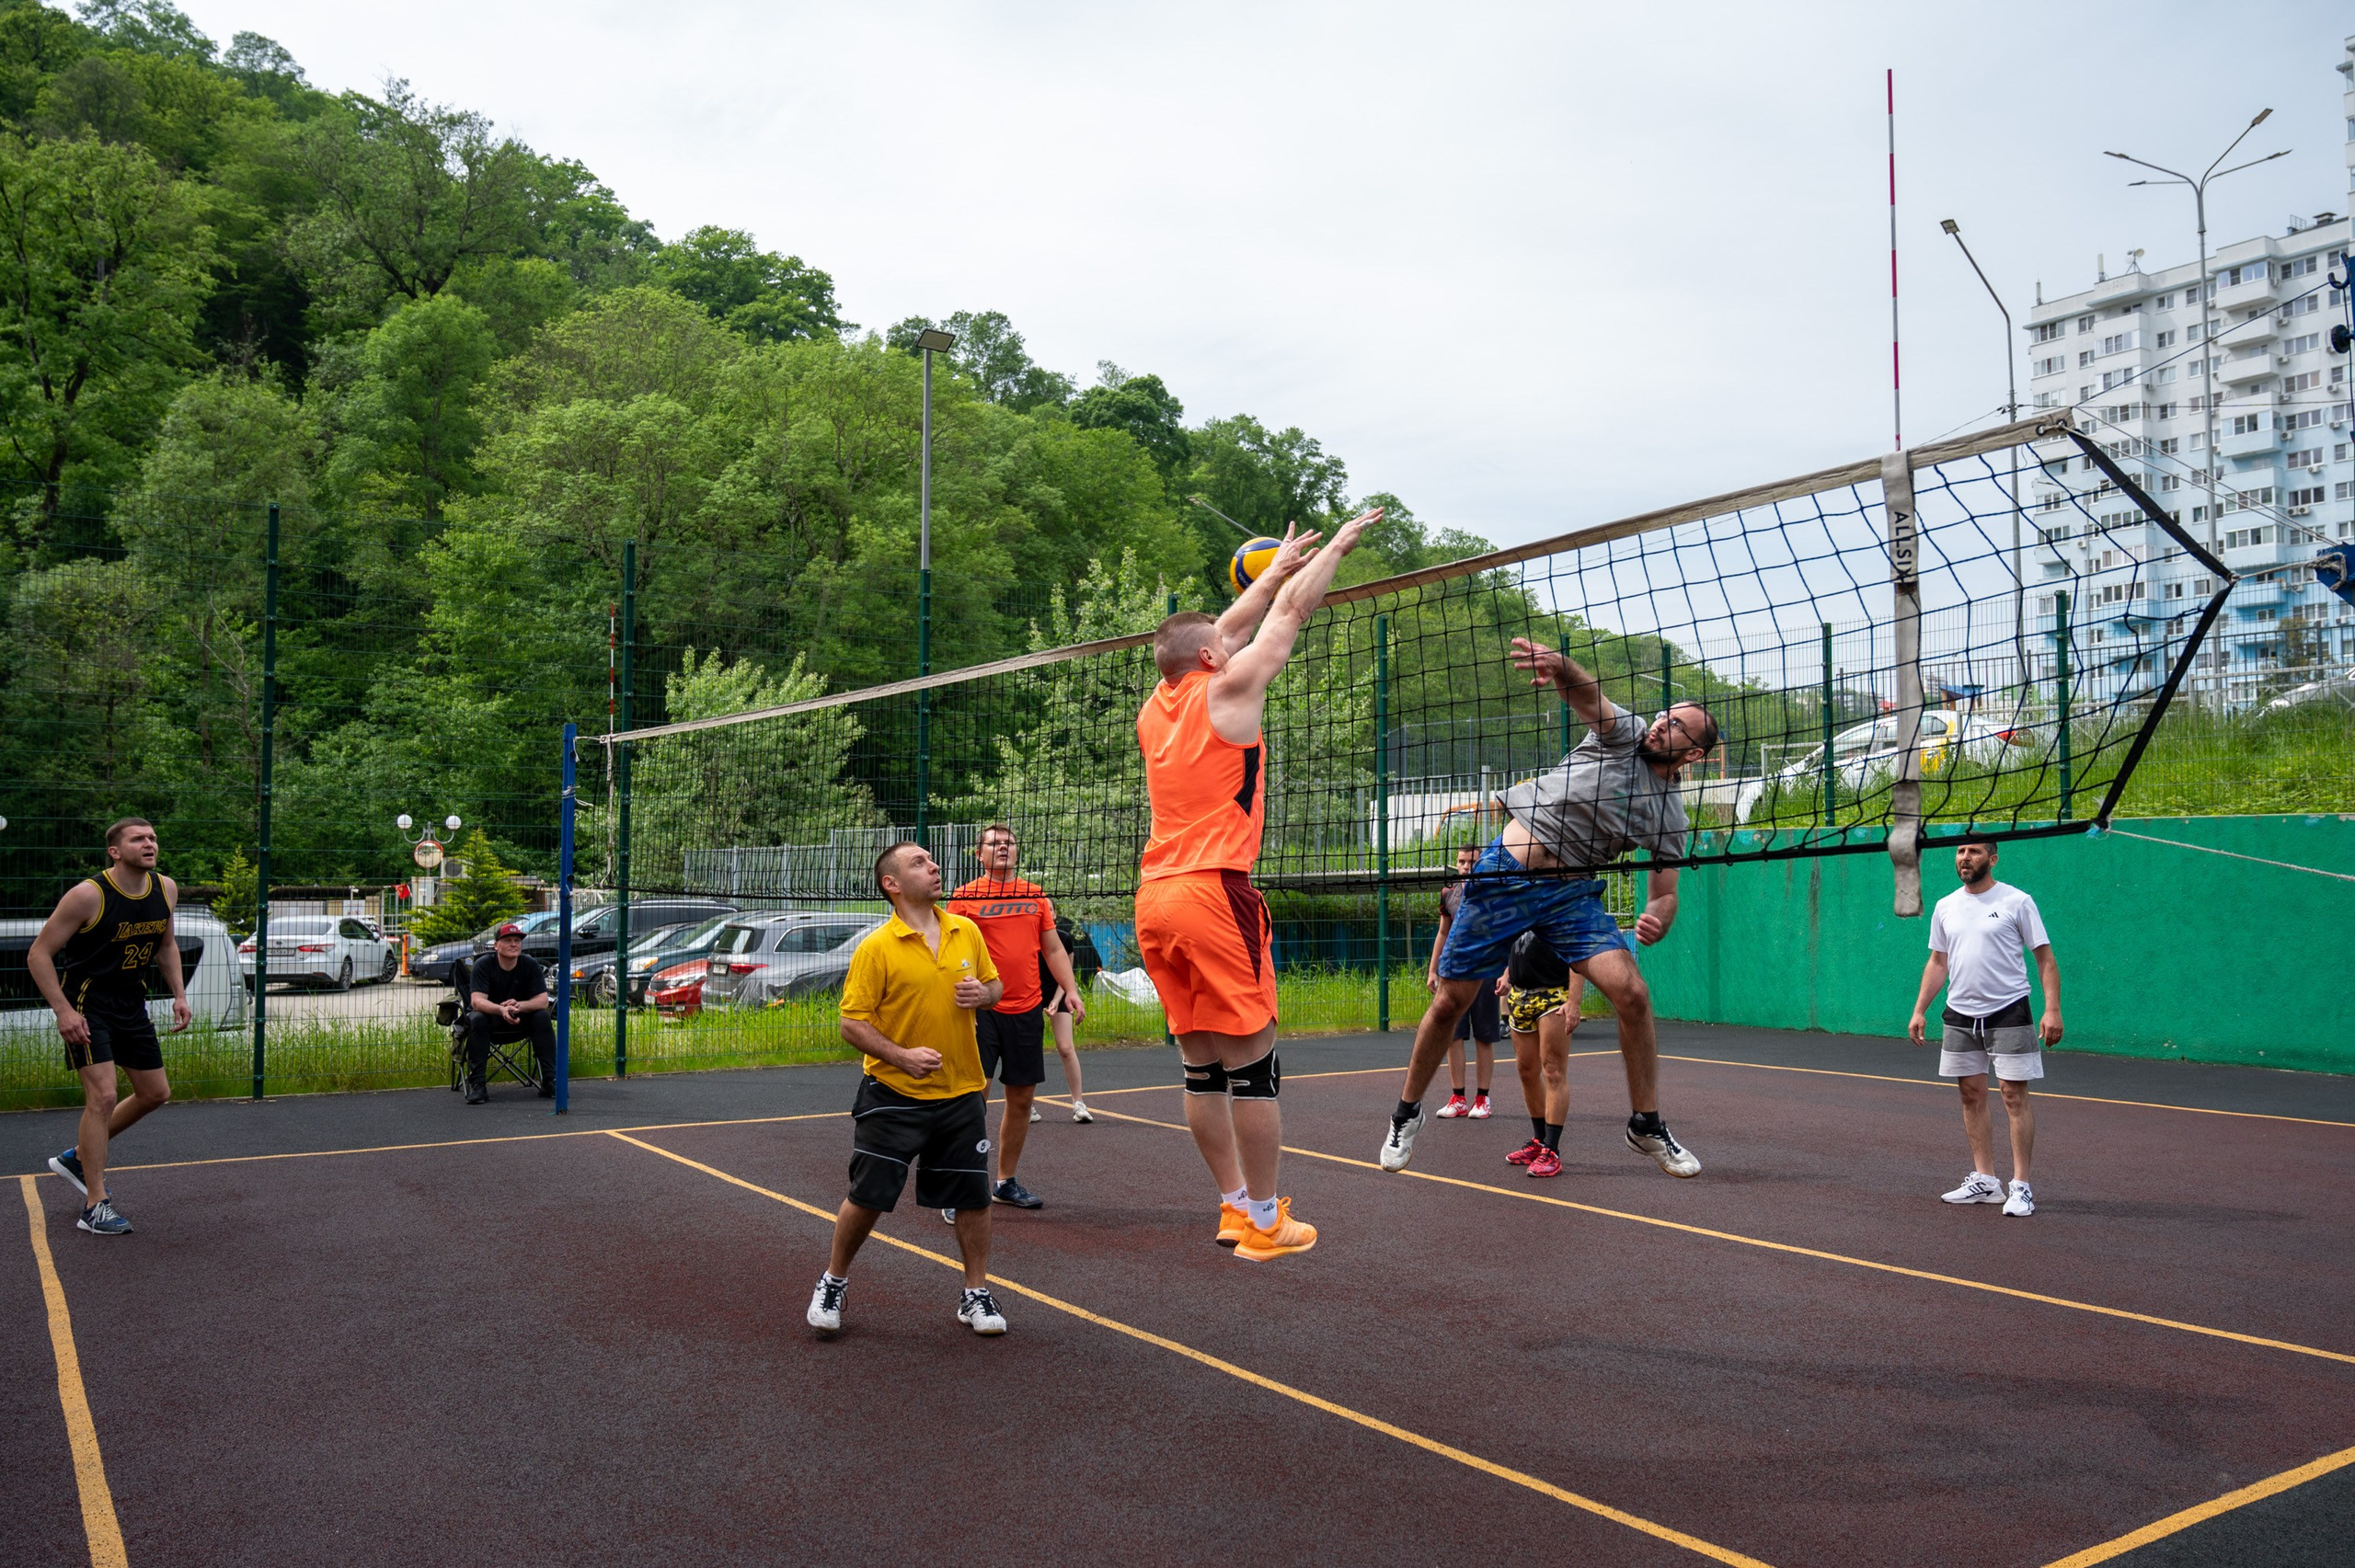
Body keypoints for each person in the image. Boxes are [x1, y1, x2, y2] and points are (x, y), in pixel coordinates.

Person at [1137, 508, 1379, 1262]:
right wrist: (1334, 548)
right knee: (1255, 1066)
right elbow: (1293, 614)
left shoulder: (1157, 706)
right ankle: (1270, 1221)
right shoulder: (1232, 687)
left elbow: (1231, 627)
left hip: (1155, 897)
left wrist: (1271, 569)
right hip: (1215, 890)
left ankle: (1236, 1205)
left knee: (1201, 1065)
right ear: (1213, 653)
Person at [1380, 637, 1715, 1179]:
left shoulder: (1668, 815)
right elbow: (1588, 698)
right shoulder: (1625, 735)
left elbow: (1665, 890)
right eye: (1665, 716)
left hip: (1570, 896)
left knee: (1632, 992)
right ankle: (1406, 1113)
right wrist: (1560, 666)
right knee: (1450, 1002)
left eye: (1677, 727)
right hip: (1504, 878)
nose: (1661, 725)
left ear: (1693, 753)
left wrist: (1663, 915)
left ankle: (1646, 1123)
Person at [808, 841, 1007, 1338]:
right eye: (918, 862)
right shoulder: (877, 947)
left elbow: (995, 988)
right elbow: (851, 1024)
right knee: (868, 1195)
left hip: (962, 1090)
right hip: (893, 1093)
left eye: (931, 860)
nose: (934, 866)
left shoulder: (968, 931)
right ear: (891, 884)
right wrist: (902, 1056)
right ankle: (833, 1282)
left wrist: (984, 995)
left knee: (973, 1197)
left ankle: (974, 1292)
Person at [29, 818, 189, 1237]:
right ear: (115, 852)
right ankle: (95, 1204)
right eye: (138, 839)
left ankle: (77, 1157)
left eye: (153, 837)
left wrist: (179, 993)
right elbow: (38, 955)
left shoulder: (165, 889)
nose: (149, 843)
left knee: (155, 1093)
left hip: (130, 1002)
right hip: (87, 1001)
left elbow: (166, 944)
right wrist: (64, 1012)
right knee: (102, 1094)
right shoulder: (88, 895)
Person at [1907, 836, 2062, 1219]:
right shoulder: (1945, 906)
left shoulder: (2016, 901)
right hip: (1960, 1014)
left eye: (1974, 851)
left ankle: (2021, 1187)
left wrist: (2052, 1009)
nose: (1965, 857)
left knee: (2013, 1095)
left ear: (1992, 858)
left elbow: (2044, 959)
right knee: (1970, 1094)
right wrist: (1919, 1009)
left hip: (2009, 1011)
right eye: (1960, 851)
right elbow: (1938, 962)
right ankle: (1985, 1181)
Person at [943, 825, 1087, 1213]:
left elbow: (1053, 948)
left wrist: (1070, 989)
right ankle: (959, 1182)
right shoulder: (964, 897)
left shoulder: (1033, 894)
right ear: (979, 854)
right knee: (974, 1098)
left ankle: (1005, 1182)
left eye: (1009, 843)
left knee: (1022, 1098)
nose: (1003, 847)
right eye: (994, 843)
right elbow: (948, 949)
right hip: (982, 1009)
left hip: (1026, 1009)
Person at [1499, 930, 1585, 1179]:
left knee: (1553, 1071)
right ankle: (1539, 1141)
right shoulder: (1521, 901)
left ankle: (1552, 1150)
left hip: (1553, 996)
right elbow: (1516, 946)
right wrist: (1506, 975)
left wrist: (1575, 1002)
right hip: (1519, 995)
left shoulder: (1558, 902)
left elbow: (1577, 953)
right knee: (1526, 1071)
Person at [1427, 843, 1501, 1119]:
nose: (1466, 866)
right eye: (1461, 861)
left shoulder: (1493, 890)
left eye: (1471, 861)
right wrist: (1433, 970)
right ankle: (1458, 1097)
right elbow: (1443, 933)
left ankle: (1483, 1098)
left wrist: (1505, 971)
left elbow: (1502, 934)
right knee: (1453, 1034)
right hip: (1454, 972)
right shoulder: (1448, 892)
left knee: (1484, 1035)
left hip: (1484, 971)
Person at [464, 922, 556, 1104]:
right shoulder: (483, 965)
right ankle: (478, 1086)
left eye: (517, 940)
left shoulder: (530, 964)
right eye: (508, 940)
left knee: (542, 1016)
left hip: (520, 1019)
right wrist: (501, 1009)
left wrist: (519, 1006)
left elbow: (543, 1001)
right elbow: (476, 1001)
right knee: (477, 1019)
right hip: (491, 1022)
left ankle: (549, 1081)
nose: (514, 944)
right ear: (496, 945)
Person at [1041, 914, 1099, 1123]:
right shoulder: (1027, 936)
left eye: (1049, 908)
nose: (1045, 911)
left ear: (1054, 914)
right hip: (1029, 993)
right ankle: (1027, 1104)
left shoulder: (1064, 938)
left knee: (1066, 1048)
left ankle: (1079, 1103)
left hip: (1058, 992)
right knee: (1026, 1048)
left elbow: (1067, 974)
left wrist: (1056, 1001)